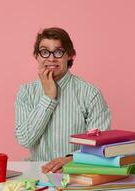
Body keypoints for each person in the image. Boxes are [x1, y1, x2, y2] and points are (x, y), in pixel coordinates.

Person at [15, 27, 111, 173]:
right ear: (37, 56)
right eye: (45, 52)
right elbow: (24, 140)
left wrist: (72, 158)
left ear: (70, 55)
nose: (51, 58)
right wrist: (48, 97)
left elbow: (100, 145)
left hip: (77, 171)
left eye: (58, 52)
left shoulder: (90, 94)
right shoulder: (26, 92)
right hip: (38, 172)